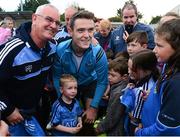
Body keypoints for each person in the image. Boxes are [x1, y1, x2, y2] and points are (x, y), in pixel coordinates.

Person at [0, 4, 60, 136]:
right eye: (49, 20)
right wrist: (8, 110)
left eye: (57, 23)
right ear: (34, 18)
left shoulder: (53, 46)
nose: (54, 26)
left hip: (32, 113)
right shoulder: (13, 49)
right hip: (9, 119)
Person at [53, 10, 108, 135]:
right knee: (69, 116)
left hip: (90, 83)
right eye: (81, 30)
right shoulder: (60, 50)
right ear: (70, 31)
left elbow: (102, 81)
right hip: (70, 83)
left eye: (90, 30)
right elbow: (56, 77)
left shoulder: (98, 52)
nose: (87, 35)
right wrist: (61, 98)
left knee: (89, 118)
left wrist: (93, 107)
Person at [135, 19, 180, 136]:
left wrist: (140, 133)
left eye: (159, 45)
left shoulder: (176, 83)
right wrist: (153, 95)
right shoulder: (168, 64)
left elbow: (167, 129)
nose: (154, 50)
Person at [122, 49, 159, 135]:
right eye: (128, 68)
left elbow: (135, 116)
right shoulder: (148, 78)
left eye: (133, 69)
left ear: (146, 70)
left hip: (136, 126)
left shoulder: (143, 90)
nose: (129, 72)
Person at [95, 59, 129, 136]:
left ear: (124, 77)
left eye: (113, 75)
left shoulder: (119, 93)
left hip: (116, 131)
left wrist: (99, 128)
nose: (109, 77)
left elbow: (113, 115)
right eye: (108, 74)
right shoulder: (116, 87)